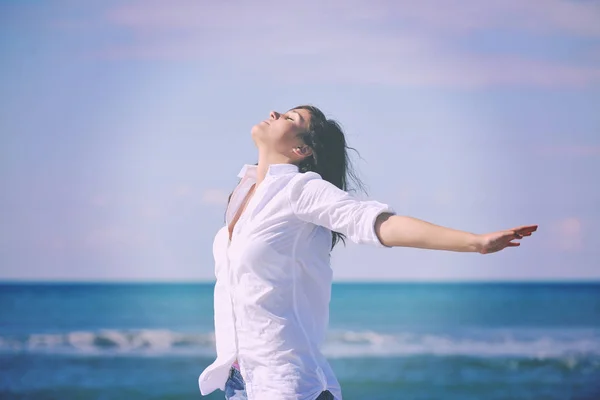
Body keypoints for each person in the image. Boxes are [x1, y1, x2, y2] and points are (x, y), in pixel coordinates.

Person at [198, 105, 538, 400]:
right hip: (239, 382)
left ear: (301, 150)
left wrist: (474, 242)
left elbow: (378, 224)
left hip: (287, 386)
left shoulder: (301, 190)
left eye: (291, 117)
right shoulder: (243, 192)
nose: (273, 114)